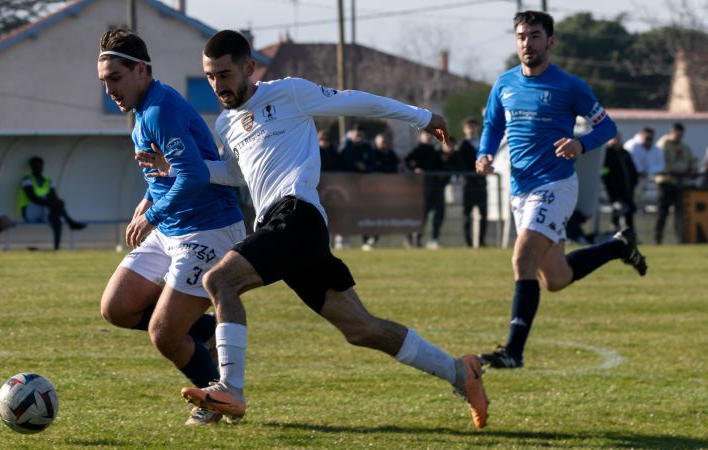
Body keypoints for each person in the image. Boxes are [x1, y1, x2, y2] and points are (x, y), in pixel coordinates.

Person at [148, 29, 488, 429]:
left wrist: (423, 117)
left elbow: (355, 101)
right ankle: (460, 372)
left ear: (249, 68)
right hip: (282, 229)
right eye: (210, 76)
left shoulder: (289, 92)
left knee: (221, 280)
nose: (217, 85)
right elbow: (238, 175)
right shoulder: (225, 124)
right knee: (362, 329)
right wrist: (180, 169)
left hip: (297, 216)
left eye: (224, 74)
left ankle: (231, 391)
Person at [475, 11, 647, 370]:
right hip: (519, 190)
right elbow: (492, 126)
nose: (528, 43)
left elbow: (608, 127)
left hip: (554, 184)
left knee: (522, 259)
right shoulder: (504, 83)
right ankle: (619, 246)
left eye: (535, 36)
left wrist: (581, 145)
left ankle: (513, 352)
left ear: (550, 42)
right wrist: (485, 154)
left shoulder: (570, 86)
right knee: (555, 279)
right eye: (522, 36)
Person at [96, 27, 246, 426]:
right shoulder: (143, 111)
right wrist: (147, 200)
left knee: (164, 334)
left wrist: (153, 215)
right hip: (172, 227)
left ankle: (218, 397)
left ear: (141, 70)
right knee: (117, 308)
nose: (109, 89)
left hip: (208, 230)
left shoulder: (162, 110)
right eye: (104, 81)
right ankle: (210, 333)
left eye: (116, 78)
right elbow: (163, 174)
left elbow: (194, 176)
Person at [18, 156, 87, 250]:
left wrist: (55, 203)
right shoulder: (27, 179)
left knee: (56, 216)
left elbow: (54, 197)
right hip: (30, 211)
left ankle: (56, 248)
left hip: (44, 209)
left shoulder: (47, 180)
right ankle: (70, 222)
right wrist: (52, 204)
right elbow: (32, 197)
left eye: (39, 166)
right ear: (31, 167)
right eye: (35, 166)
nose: (38, 168)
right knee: (53, 201)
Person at [404, 130, 450, 249]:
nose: (428, 137)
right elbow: (407, 162)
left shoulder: (436, 151)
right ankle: (414, 239)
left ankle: (434, 239)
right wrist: (416, 169)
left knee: (438, 214)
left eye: (430, 135)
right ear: (421, 136)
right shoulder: (417, 150)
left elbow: (442, 166)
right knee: (421, 215)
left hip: (436, 188)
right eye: (426, 134)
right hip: (423, 189)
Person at [653, 123, 697, 244]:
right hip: (666, 183)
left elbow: (692, 162)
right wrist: (678, 171)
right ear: (671, 132)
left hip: (681, 184)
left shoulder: (685, 147)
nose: (679, 137)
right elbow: (660, 163)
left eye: (681, 135)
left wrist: (691, 170)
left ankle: (681, 239)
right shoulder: (663, 144)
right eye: (677, 134)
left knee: (681, 213)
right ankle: (658, 239)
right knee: (663, 212)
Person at [454, 118, 488, 247]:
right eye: (469, 127)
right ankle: (468, 242)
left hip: (482, 183)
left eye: (474, 126)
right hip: (468, 184)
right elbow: (460, 163)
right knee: (467, 215)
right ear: (464, 130)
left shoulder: (483, 144)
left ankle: (481, 241)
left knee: (483, 214)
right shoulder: (462, 146)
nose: (472, 129)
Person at [601, 133, 638, 231]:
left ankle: (630, 235)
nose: (617, 140)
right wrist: (609, 185)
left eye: (618, 138)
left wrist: (633, 183)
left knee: (628, 212)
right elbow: (604, 172)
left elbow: (632, 171)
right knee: (618, 211)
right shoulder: (606, 154)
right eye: (614, 138)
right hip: (613, 191)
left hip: (627, 190)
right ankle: (614, 233)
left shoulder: (625, 153)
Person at [625, 127, 664, 209]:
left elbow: (661, 165)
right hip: (629, 179)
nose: (649, 141)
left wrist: (647, 172)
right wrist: (639, 171)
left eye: (651, 139)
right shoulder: (632, 146)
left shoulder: (655, 149)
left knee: (639, 202)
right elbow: (631, 162)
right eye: (647, 138)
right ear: (641, 136)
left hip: (644, 181)